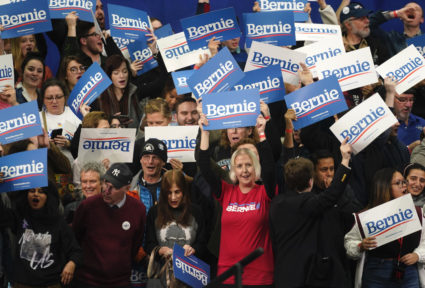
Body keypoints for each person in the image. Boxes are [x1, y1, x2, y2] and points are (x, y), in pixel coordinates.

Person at [198, 113, 275, 286]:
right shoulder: (226, 192)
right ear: (233, 169)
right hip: (228, 274)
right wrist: (204, 133)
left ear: (256, 166)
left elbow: (270, 170)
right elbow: (204, 166)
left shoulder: (265, 193)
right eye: (239, 166)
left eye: (249, 165)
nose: (245, 170)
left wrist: (261, 133)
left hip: (259, 276)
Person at [270, 138, 353, 287]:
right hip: (306, 277)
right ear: (311, 181)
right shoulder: (308, 203)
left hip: (284, 275)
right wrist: (345, 160)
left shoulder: (276, 203)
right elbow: (332, 194)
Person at [345, 167, 425, 287]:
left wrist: (417, 255)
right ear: (384, 186)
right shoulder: (366, 217)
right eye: (398, 183)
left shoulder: (417, 213)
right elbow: (349, 243)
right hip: (376, 272)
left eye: (404, 182)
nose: (404, 186)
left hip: (408, 271)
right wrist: (360, 246)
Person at [72, 163, 146, 288]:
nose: (106, 190)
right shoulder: (87, 206)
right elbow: (75, 238)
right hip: (87, 281)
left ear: (127, 188)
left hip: (120, 282)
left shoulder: (138, 210)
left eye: (114, 187)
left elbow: (135, 244)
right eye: (106, 183)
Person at [0, 182, 82, 287]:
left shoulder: (58, 222)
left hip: (50, 283)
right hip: (21, 283)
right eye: (32, 191)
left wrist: (72, 263)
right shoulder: (19, 216)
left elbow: (76, 251)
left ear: (48, 196)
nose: (36, 194)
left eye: (41, 192)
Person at [145, 169, 207, 260]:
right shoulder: (154, 212)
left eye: (177, 192)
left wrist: (193, 249)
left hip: (189, 269)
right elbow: (148, 244)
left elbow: (203, 243)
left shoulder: (196, 211)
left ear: (184, 191)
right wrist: (160, 250)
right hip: (163, 270)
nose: (173, 197)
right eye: (169, 193)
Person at [92, 54, 143, 130]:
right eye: (116, 73)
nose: (122, 76)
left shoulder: (134, 91)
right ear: (109, 76)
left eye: (125, 71)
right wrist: (111, 121)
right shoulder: (100, 98)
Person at [39, 78, 81, 164]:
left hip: (72, 167)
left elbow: (85, 146)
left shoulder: (75, 115)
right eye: (49, 98)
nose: (54, 101)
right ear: (43, 99)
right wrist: (44, 144)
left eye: (58, 97)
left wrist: (69, 144)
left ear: (65, 97)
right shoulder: (37, 118)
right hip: (48, 165)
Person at [130, 138, 167, 214]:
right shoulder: (129, 187)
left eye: (155, 157)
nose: (150, 161)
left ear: (163, 162)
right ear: (141, 160)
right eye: (146, 157)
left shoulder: (174, 185)